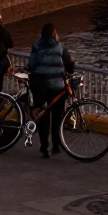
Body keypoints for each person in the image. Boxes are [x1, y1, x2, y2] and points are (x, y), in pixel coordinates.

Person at [27, 22, 75, 158]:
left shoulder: (36, 46)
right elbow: (69, 68)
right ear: (55, 34)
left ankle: (44, 147)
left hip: (41, 88)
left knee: (43, 117)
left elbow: (31, 65)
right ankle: (56, 145)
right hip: (58, 88)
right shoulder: (61, 48)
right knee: (57, 118)